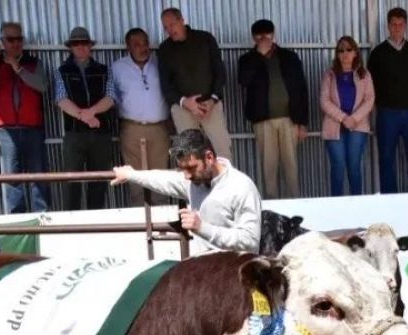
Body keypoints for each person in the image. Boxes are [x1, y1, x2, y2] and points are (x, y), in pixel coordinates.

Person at [110, 129, 261, 252]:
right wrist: (131, 174)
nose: (187, 176)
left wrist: (202, 227)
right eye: (182, 169)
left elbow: (250, 241)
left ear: (209, 157)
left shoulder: (241, 187)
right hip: (202, 271)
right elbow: (163, 179)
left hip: (236, 274)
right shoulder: (193, 180)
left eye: (191, 168)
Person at [237, 19, 310, 199]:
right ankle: (272, 207)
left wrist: (302, 122)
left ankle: (296, 206)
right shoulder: (247, 59)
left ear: (273, 34)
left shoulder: (289, 57)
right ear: (253, 38)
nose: (264, 38)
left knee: (291, 167)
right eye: (259, 35)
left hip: (290, 120)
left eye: (267, 34)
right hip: (263, 121)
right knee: (268, 167)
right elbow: (243, 81)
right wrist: (258, 57)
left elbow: (301, 88)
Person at [0, 20, 50, 213]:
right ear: (2, 41)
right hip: (7, 128)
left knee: (38, 176)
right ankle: (16, 218)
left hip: (33, 126)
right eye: (10, 39)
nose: (15, 44)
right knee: (12, 177)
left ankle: (42, 217)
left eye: (19, 39)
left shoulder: (33, 62)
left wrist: (18, 68)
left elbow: (43, 86)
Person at [54, 26, 116, 211]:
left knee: (99, 181)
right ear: (71, 47)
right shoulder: (61, 71)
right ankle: (71, 223)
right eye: (76, 44)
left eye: (84, 43)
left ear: (90, 46)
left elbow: (111, 97)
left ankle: (96, 221)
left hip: (101, 134)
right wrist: (86, 117)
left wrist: (91, 113)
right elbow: (61, 99)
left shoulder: (104, 70)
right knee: (71, 181)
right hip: (74, 134)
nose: (81, 47)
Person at [157, 8, 233, 159]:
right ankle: (194, 183)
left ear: (182, 20)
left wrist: (213, 99)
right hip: (183, 108)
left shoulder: (205, 39)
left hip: (210, 105)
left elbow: (220, 72)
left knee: (222, 148)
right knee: (189, 154)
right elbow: (166, 85)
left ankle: (226, 182)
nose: (169, 30)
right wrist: (185, 102)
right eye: (165, 27)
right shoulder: (164, 49)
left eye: (172, 25)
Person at [368, 7, 408, 194]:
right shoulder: (377, 53)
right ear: (388, 26)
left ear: (406, 25)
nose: (397, 28)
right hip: (387, 113)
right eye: (394, 24)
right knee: (386, 160)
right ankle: (389, 200)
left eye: (401, 24)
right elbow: (371, 85)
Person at [110, 28, 172, 179]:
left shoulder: (161, 63)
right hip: (131, 129)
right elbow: (110, 98)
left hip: (159, 129)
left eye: (145, 43)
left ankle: (160, 204)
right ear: (128, 47)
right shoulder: (117, 68)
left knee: (161, 178)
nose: (143, 48)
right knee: (135, 178)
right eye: (137, 44)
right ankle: (139, 203)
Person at [320, 36, 375, 197]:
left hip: (357, 127)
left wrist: (354, 118)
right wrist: (344, 118)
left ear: (355, 53)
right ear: (337, 54)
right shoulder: (329, 75)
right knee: (337, 166)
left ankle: (357, 204)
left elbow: (370, 98)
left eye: (349, 49)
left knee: (354, 166)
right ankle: (336, 205)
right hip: (334, 126)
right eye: (341, 50)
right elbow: (324, 100)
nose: (345, 53)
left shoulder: (364, 74)